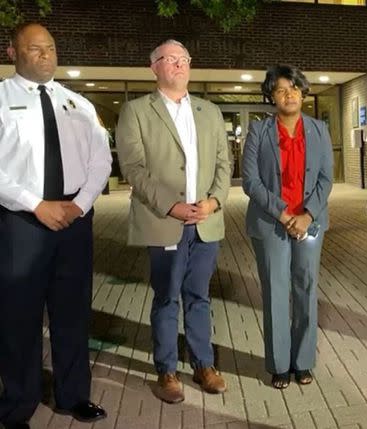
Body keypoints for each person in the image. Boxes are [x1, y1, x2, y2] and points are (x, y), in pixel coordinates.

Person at [0, 22, 111, 428]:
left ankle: (73, 396)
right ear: (13, 53)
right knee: (19, 320)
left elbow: (102, 160)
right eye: (34, 48)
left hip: (73, 226)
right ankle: (17, 407)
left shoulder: (77, 103)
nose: (45, 54)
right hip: (20, 225)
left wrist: (79, 205)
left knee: (72, 315)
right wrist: (35, 204)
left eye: (49, 47)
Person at [115, 39, 231, 404]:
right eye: (170, 59)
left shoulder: (209, 111)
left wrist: (214, 200)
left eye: (184, 59)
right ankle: (166, 370)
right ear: (154, 67)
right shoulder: (136, 111)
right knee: (166, 297)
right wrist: (172, 206)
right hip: (164, 221)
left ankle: (203, 364)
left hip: (206, 222)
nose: (179, 65)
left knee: (199, 296)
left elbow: (224, 164)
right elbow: (133, 168)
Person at [242, 65, 333, 389]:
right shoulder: (258, 131)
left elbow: (326, 178)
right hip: (272, 223)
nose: (289, 94)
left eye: (294, 88)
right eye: (281, 89)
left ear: (303, 92)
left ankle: (303, 362)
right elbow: (250, 182)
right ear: (271, 96)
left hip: (310, 222)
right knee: (276, 292)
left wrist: (307, 215)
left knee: (306, 289)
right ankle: (280, 365)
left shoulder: (319, 129)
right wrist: (283, 215)